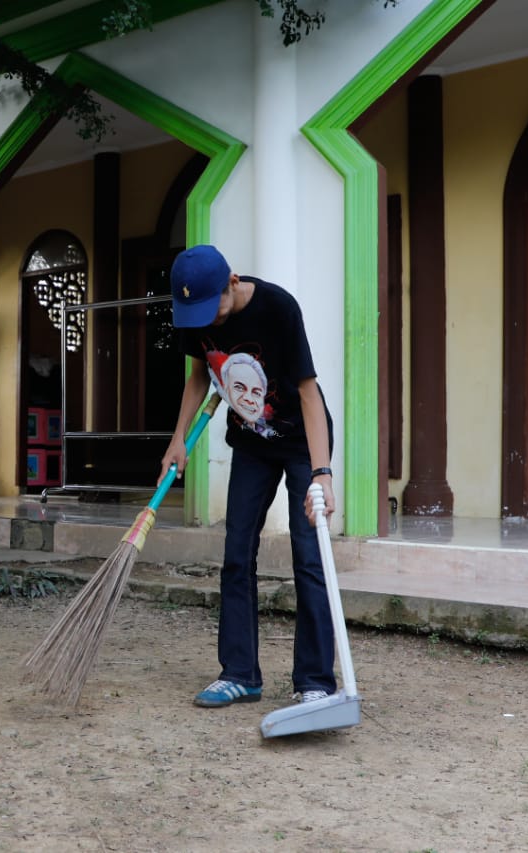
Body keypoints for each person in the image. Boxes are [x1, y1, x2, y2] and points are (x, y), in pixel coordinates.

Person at [160, 244, 337, 709]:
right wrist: (178, 440)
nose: (208, 321)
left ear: (233, 283)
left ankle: (315, 681)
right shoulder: (197, 316)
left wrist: (322, 473)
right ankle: (240, 674)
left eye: (214, 308)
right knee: (236, 554)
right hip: (252, 443)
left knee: (309, 556)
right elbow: (199, 376)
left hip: (301, 442)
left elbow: (309, 393)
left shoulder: (278, 308)